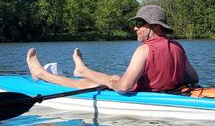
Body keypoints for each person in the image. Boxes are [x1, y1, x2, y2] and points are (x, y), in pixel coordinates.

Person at [26, 5, 199, 92]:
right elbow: (194, 78)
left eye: (140, 23)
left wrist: (111, 83)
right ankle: (81, 69)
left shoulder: (144, 51)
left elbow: (123, 88)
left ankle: (41, 73)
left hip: (143, 97)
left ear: (154, 26)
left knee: (85, 84)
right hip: (165, 94)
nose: (135, 28)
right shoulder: (177, 47)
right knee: (115, 77)